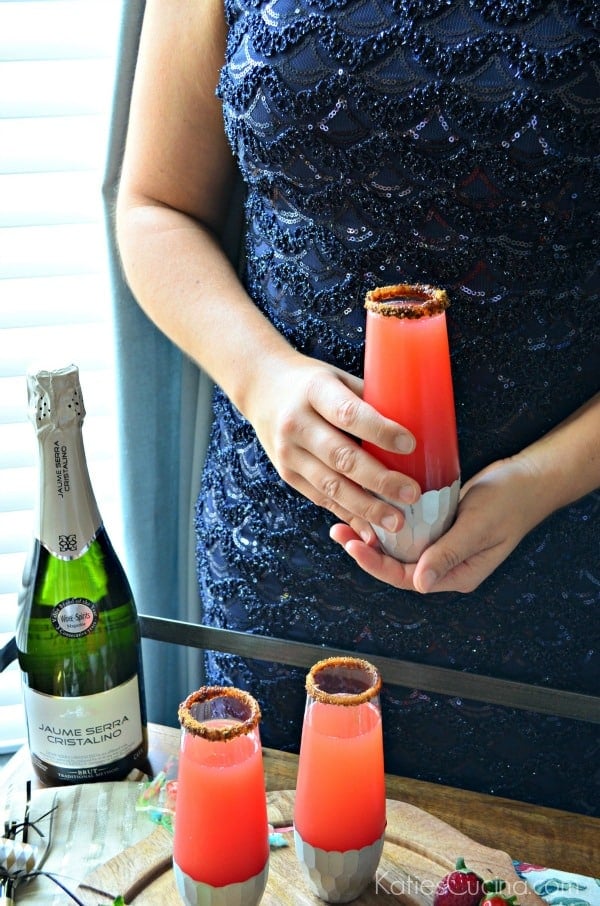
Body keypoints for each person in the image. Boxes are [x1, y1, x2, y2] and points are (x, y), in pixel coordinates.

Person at [115, 0, 600, 816]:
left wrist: (543, 483)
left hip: (563, 581)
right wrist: (262, 378)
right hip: (282, 574)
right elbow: (156, 206)